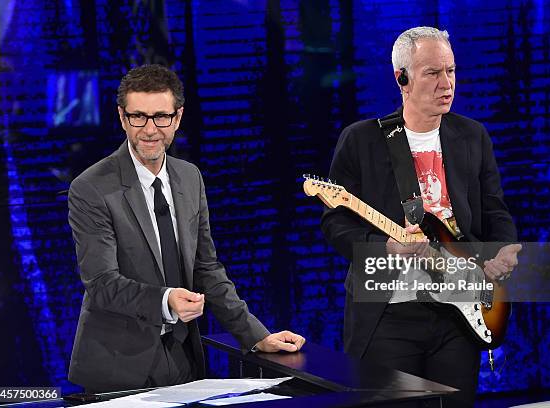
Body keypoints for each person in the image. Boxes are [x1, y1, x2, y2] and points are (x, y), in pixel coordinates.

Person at [68, 64, 305, 393]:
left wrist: (256, 335)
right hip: (118, 366)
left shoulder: (189, 178)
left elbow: (206, 268)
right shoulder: (91, 188)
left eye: (161, 117)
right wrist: (165, 301)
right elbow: (102, 284)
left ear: (177, 118)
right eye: (139, 117)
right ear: (122, 117)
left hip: (184, 360)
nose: (150, 130)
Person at [321, 27, 521, 407]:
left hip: (458, 318)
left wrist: (503, 249)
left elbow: (495, 209)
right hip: (390, 316)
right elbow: (334, 223)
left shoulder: (473, 135)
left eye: (451, 71)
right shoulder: (361, 140)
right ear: (402, 79)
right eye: (433, 73)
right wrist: (384, 246)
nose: (446, 84)